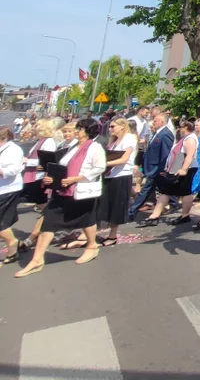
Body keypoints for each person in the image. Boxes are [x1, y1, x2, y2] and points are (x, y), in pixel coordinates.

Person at [16, 118, 106, 277]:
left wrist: (76, 179)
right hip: (62, 190)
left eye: (80, 129)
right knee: (49, 222)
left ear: (88, 131)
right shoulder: (72, 147)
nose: (77, 131)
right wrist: (52, 178)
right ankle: (37, 259)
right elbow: (62, 166)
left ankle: (92, 246)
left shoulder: (95, 147)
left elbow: (99, 168)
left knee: (87, 219)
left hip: (81, 190)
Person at [140, 119, 199, 227]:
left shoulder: (190, 139)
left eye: (180, 127)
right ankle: (155, 215)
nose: (179, 129)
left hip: (186, 167)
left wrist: (184, 169)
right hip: (177, 165)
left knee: (185, 191)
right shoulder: (184, 138)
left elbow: (190, 155)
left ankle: (185, 215)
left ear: (185, 127)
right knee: (166, 190)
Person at [128, 112, 175, 220]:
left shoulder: (166, 134)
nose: (153, 122)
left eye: (155, 121)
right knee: (165, 189)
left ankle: (132, 212)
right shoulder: (158, 133)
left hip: (157, 168)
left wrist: (162, 169)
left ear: (162, 122)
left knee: (146, 190)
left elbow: (165, 153)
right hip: (152, 167)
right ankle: (174, 202)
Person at [98, 117, 137, 245]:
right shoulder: (114, 141)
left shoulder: (129, 138)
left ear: (122, 126)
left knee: (116, 206)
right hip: (110, 174)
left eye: (113, 126)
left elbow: (124, 159)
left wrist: (105, 163)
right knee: (104, 204)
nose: (110, 129)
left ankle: (112, 235)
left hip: (121, 175)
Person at [0, 127, 24, 264]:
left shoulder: (13, 150)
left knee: (1, 220)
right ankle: (12, 243)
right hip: (2, 188)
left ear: (4, 139)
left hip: (7, 189)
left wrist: (1, 171)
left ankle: (12, 243)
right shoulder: (4, 149)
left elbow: (14, 169)